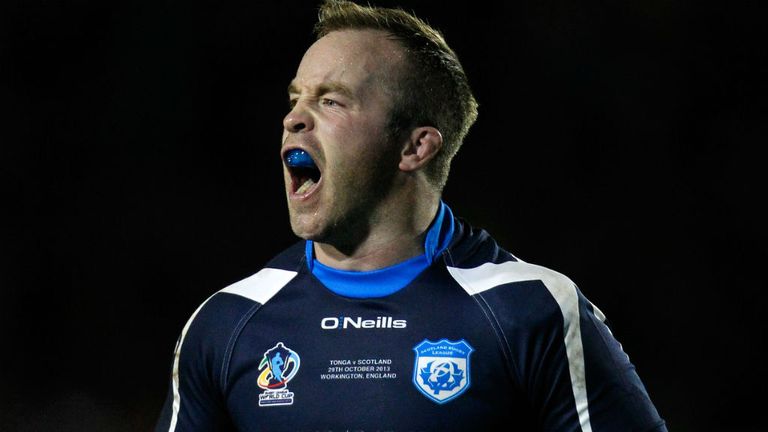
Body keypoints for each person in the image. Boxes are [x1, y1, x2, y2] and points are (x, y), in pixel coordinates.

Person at [155, 1, 667, 430]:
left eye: (332, 101)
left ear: (414, 147)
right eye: (295, 99)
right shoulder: (227, 323)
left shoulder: (531, 311)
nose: (293, 118)